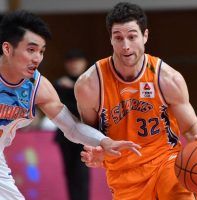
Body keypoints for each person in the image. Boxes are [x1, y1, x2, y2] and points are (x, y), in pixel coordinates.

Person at [77, 2, 197, 200]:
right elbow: (90, 134)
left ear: (145, 36)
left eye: (132, 36)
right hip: (124, 174)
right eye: (118, 38)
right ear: (110, 39)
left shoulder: (167, 78)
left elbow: (190, 127)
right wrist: (97, 150)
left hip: (166, 162)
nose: (126, 45)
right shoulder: (89, 85)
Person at [0, 10, 141, 200]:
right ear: (8, 49)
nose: (37, 58)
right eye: (31, 50)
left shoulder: (38, 87)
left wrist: (104, 142)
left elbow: (73, 128)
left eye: (41, 51)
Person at [54, 49, 90, 200]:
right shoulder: (59, 84)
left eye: (78, 61)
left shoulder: (89, 83)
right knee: (69, 172)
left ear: (84, 63)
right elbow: (58, 108)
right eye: (71, 62)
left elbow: (85, 109)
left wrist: (73, 87)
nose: (74, 65)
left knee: (81, 173)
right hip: (64, 136)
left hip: (84, 135)